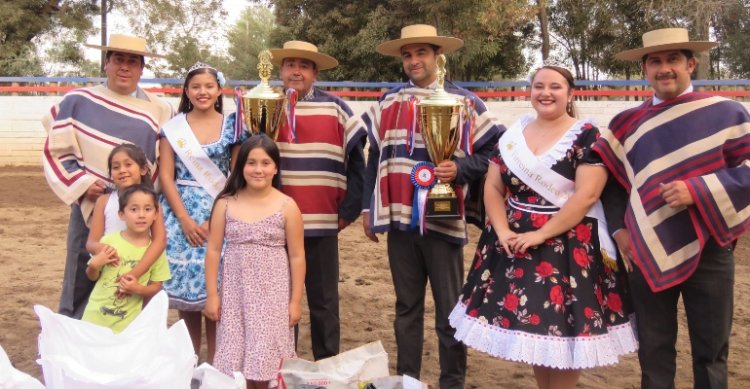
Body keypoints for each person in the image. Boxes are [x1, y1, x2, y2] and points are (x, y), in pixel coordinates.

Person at [449, 66, 638, 389]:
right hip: (514, 243)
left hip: (566, 246)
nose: (545, 93)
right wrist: (503, 230)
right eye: (538, 86)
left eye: (555, 87)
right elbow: (493, 188)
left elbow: (587, 195)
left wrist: (540, 234)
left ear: (570, 93)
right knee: (536, 329)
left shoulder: (587, 135)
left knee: (563, 334)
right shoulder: (513, 135)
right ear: (530, 91)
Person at [592, 28, 750, 389]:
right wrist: (619, 231)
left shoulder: (726, 113)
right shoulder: (627, 125)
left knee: (711, 352)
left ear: (691, 64)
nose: (664, 69)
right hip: (645, 249)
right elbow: (613, 185)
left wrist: (698, 190)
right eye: (655, 62)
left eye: (673, 60)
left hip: (711, 248)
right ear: (645, 69)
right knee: (654, 348)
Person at [361, 24, 504, 388]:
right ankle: (408, 380)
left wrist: (460, 168)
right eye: (407, 55)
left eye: (421, 53)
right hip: (398, 221)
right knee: (406, 308)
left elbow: (494, 152)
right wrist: (367, 208)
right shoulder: (387, 102)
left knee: (450, 311)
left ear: (438, 56)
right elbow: (374, 156)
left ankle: (451, 382)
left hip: (444, 220)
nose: (413, 61)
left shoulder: (466, 103)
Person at [42, 34, 172, 319]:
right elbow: (56, 146)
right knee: (81, 267)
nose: (125, 67)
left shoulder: (160, 110)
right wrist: (82, 184)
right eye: (118, 60)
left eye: (132, 62)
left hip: (138, 208)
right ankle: (74, 331)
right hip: (91, 203)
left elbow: (163, 160)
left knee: (134, 268)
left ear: (141, 69)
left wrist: (149, 200)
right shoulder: (78, 100)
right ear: (106, 64)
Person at [269, 40, 367, 360]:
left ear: (315, 73)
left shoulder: (337, 108)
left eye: (304, 65)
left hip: (324, 222)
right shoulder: (267, 106)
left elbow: (357, 164)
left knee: (324, 302)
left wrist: (348, 212)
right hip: (276, 227)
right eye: (290, 64)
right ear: (281, 71)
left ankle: (326, 366)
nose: (296, 71)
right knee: (283, 302)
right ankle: (285, 367)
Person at [159, 62, 245, 363]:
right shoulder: (173, 128)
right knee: (187, 301)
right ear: (186, 91)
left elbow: (235, 175)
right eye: (195, 86)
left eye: (209, 86)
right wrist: (185, 220)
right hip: (180, 216)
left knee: (218, 296)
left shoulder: (233, 125)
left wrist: (214, 219)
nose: (202, 92)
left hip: (220, 211)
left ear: (219, 89)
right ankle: (190, 364)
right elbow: (166, 176)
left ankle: (217, 367)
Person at [203, 136, 306, 389]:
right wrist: (212, 295)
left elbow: (297, 255)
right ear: (241, 166)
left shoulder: (287, 206)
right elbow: (214, 249)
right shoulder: (225, 203)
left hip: (272, 297)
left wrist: (294, 302)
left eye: (265, 163)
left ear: (276, 167)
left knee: (267, 354)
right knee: (236, 356)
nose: (258, 169)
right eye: (251, 163)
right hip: (235, 294)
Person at [81, 184, 171, 333]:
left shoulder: (155, 251)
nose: (141, 215)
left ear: (156, 214)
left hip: (128, 324)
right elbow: (92, 277)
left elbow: (156, 286)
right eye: (134, 209)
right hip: (95, 317)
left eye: (148, 209)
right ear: (121, 214)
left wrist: (139, 289)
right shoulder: (109, 242)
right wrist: (93, 266)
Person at [85, 144, 166, 281]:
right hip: (110, 273)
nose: (122, 170)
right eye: (116, 167)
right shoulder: (104, 201)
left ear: (143, 169)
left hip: (142, 272)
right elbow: (91, 242)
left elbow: (160, 241)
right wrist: (103, 249)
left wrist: (135, 273)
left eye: (128, 164)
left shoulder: (153, 202)